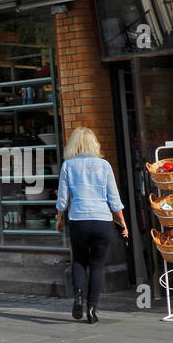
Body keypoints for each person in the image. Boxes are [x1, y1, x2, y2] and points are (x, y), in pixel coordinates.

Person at [55, 127, 128, 324]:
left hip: (79, 219)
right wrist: (122, 222)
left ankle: (78, 295)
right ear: (93, 143)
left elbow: (63, 197)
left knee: (78, 260)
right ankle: (92, 309)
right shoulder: (104, 165)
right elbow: (114, 198)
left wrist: (59, 218)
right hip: (102, 220)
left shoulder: (68, 166)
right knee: (97, 266)